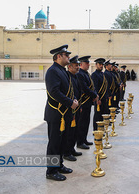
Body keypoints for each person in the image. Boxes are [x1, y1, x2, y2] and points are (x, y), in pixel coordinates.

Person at [44, 45, 78, 181]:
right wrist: (70, 103)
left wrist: (73, 98)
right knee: (54, 143)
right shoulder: (53, 71)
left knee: (62, 141)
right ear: (59, 56)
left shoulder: (62, 71)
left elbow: (68, 90)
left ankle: (59, 165)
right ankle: (51, 171)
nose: (69, 57)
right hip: (56, 113)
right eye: (66, 55)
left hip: (65, 114)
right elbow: (54, 92)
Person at [76, 55, 99, 150]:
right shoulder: (79, 74)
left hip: (88, 102)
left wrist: (94, 95)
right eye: (87, 63)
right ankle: (80, 142)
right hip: (83, 102)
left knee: (86, 122)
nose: (88, 64)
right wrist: (94, 95)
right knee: (81, 123)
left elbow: (92, 86)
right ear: (81, 64)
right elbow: (84, 88)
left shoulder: (86, 73)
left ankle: (84, 139)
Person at [64, 56, 82, 161]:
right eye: (76, 66)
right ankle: (67, 152)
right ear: (69, 67)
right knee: (69, 132)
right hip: (70, 107)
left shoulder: (75, 76)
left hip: (76, 106)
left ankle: (72, 149)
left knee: (75, 130)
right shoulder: (68, 76)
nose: (78, 67)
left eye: (78, 65)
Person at [91, 58, 109, 130]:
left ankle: (101, 129)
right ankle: (96, 130)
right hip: (99, 99)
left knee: (103, 114)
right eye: (99, 64)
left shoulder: (102, 74)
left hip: (104, 98)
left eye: (102, 64)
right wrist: (97, 98)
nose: (101, 66)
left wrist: (106, 96)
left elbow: (105, 86)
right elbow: (95, 88)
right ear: (96, 65)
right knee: (97, 115)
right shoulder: (94, 75)